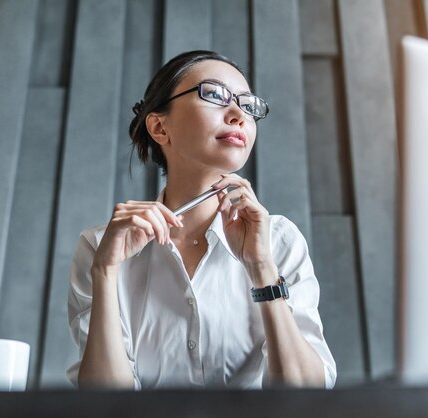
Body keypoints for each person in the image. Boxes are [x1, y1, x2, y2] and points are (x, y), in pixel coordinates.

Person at [67, 50, 336, 389]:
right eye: (214, 94)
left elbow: (308, 398)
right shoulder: (100, 248)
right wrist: (105, 272)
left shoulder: (279, 241)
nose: (239, 114)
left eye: (248, 105)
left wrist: (262, 269)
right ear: (160, 127)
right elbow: (104, 405)